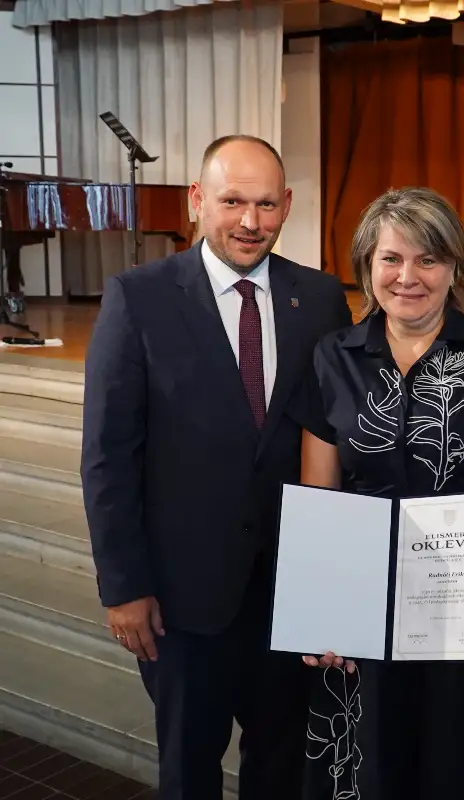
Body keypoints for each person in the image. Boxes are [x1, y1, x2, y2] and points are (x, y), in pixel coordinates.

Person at [80, 135, 352, 800]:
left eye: (266, 204)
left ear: (288, 204)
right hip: (181, 601)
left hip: (290, 594)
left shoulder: (320, 299)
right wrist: (123, 586)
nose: (251, 221)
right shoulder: (137, 298)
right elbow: (109, 457)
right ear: (197, 200)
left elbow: (335, 438)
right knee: (188, 770)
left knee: (282, 769)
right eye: (232, 202)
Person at [297, 187, 464, 799]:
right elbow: (320, 493)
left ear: (454, 267)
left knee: (463, 767)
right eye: (391, 259)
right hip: (364, 606)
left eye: (428, 259)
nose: (407, 276)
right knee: (371, 767)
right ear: (367, 266)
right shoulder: (333, 356)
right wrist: (322, 611)